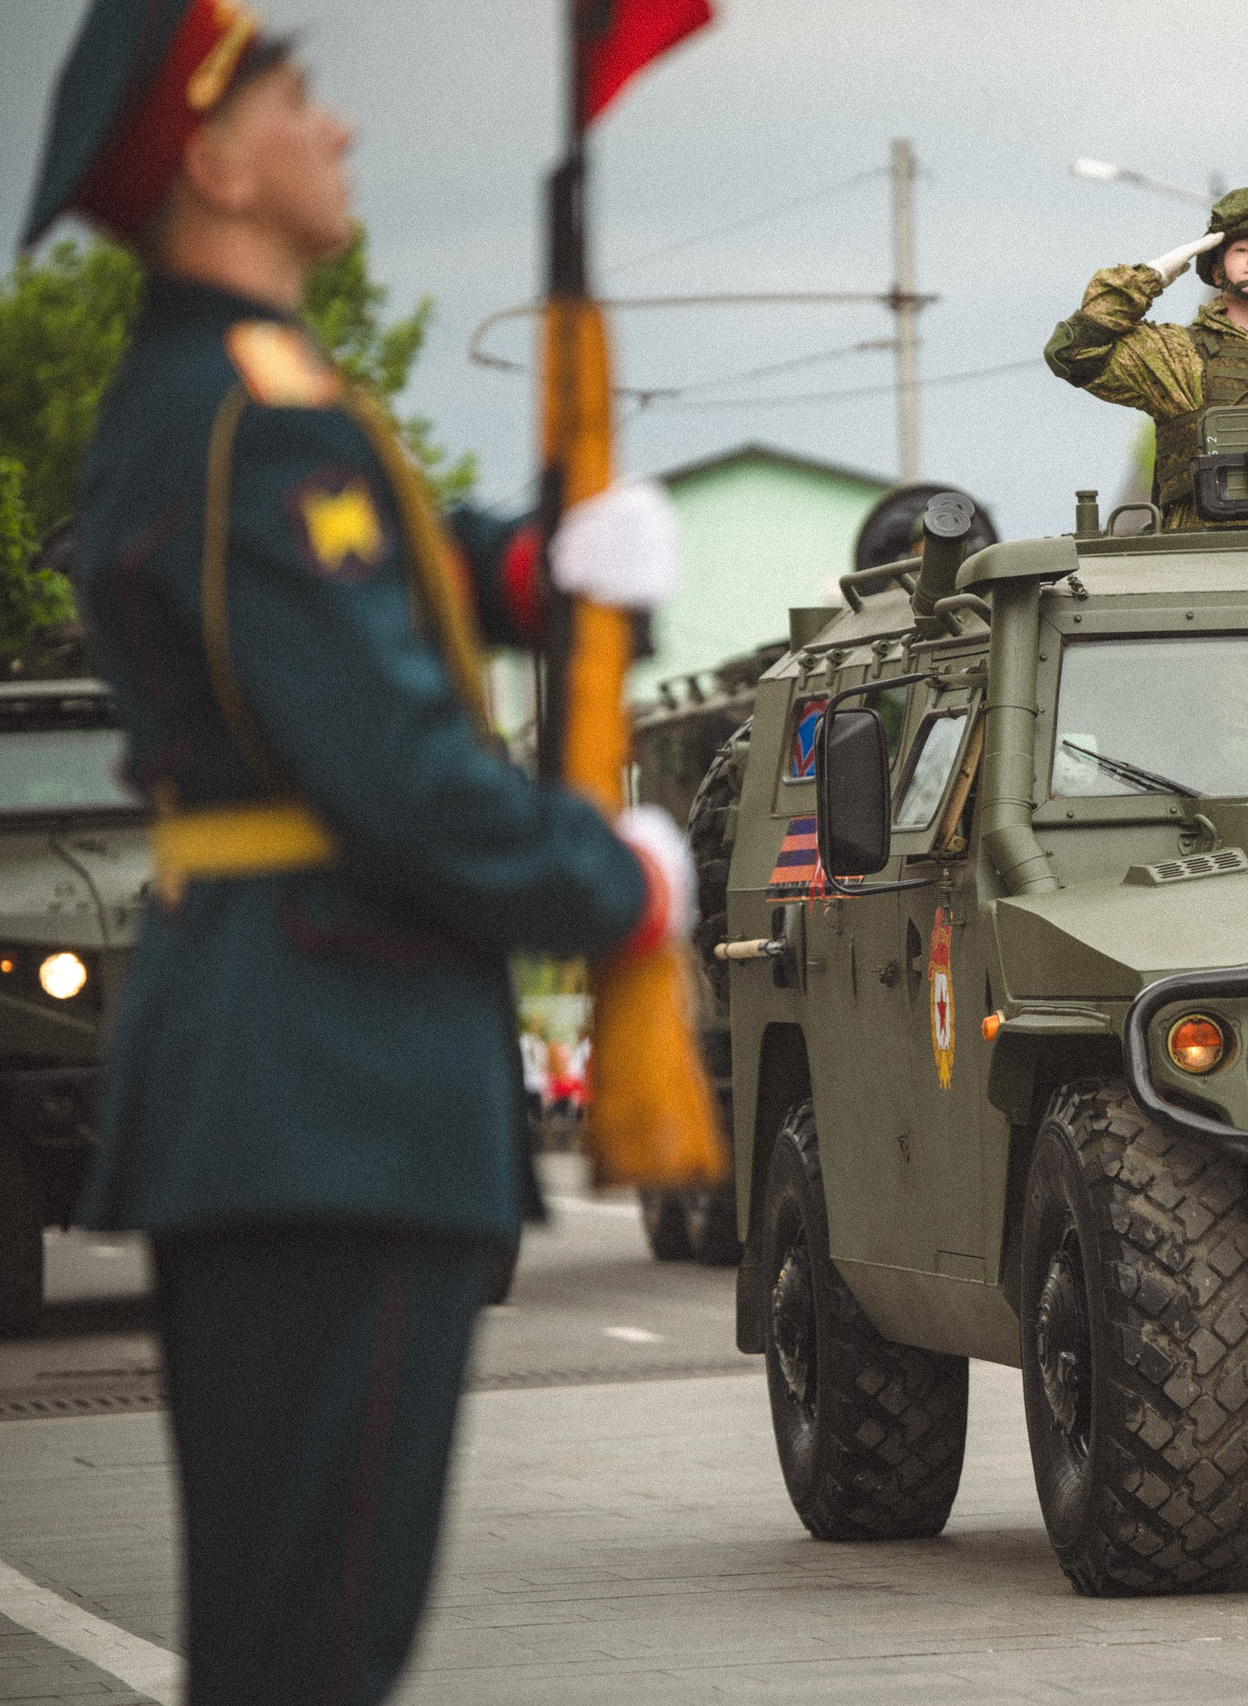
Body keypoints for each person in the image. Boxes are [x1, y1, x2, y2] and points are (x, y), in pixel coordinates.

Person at [20, 6, 693, 1703]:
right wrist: (615, 884)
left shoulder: (262, 400)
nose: (341, 131)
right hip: (324, 1085)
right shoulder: (243, 415)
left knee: (300, 1638)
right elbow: (387, 767)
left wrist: (529, 566)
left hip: (305, 1078)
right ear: (217, 159)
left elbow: (371, 586)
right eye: (298, 99)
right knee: (310, 1650)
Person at [1045, 186, 1248, 530]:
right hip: (1201, 552)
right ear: (1217, 272)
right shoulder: (1178, 356)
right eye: (1241, 250)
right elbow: (1071, 350)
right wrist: (1156, 273)